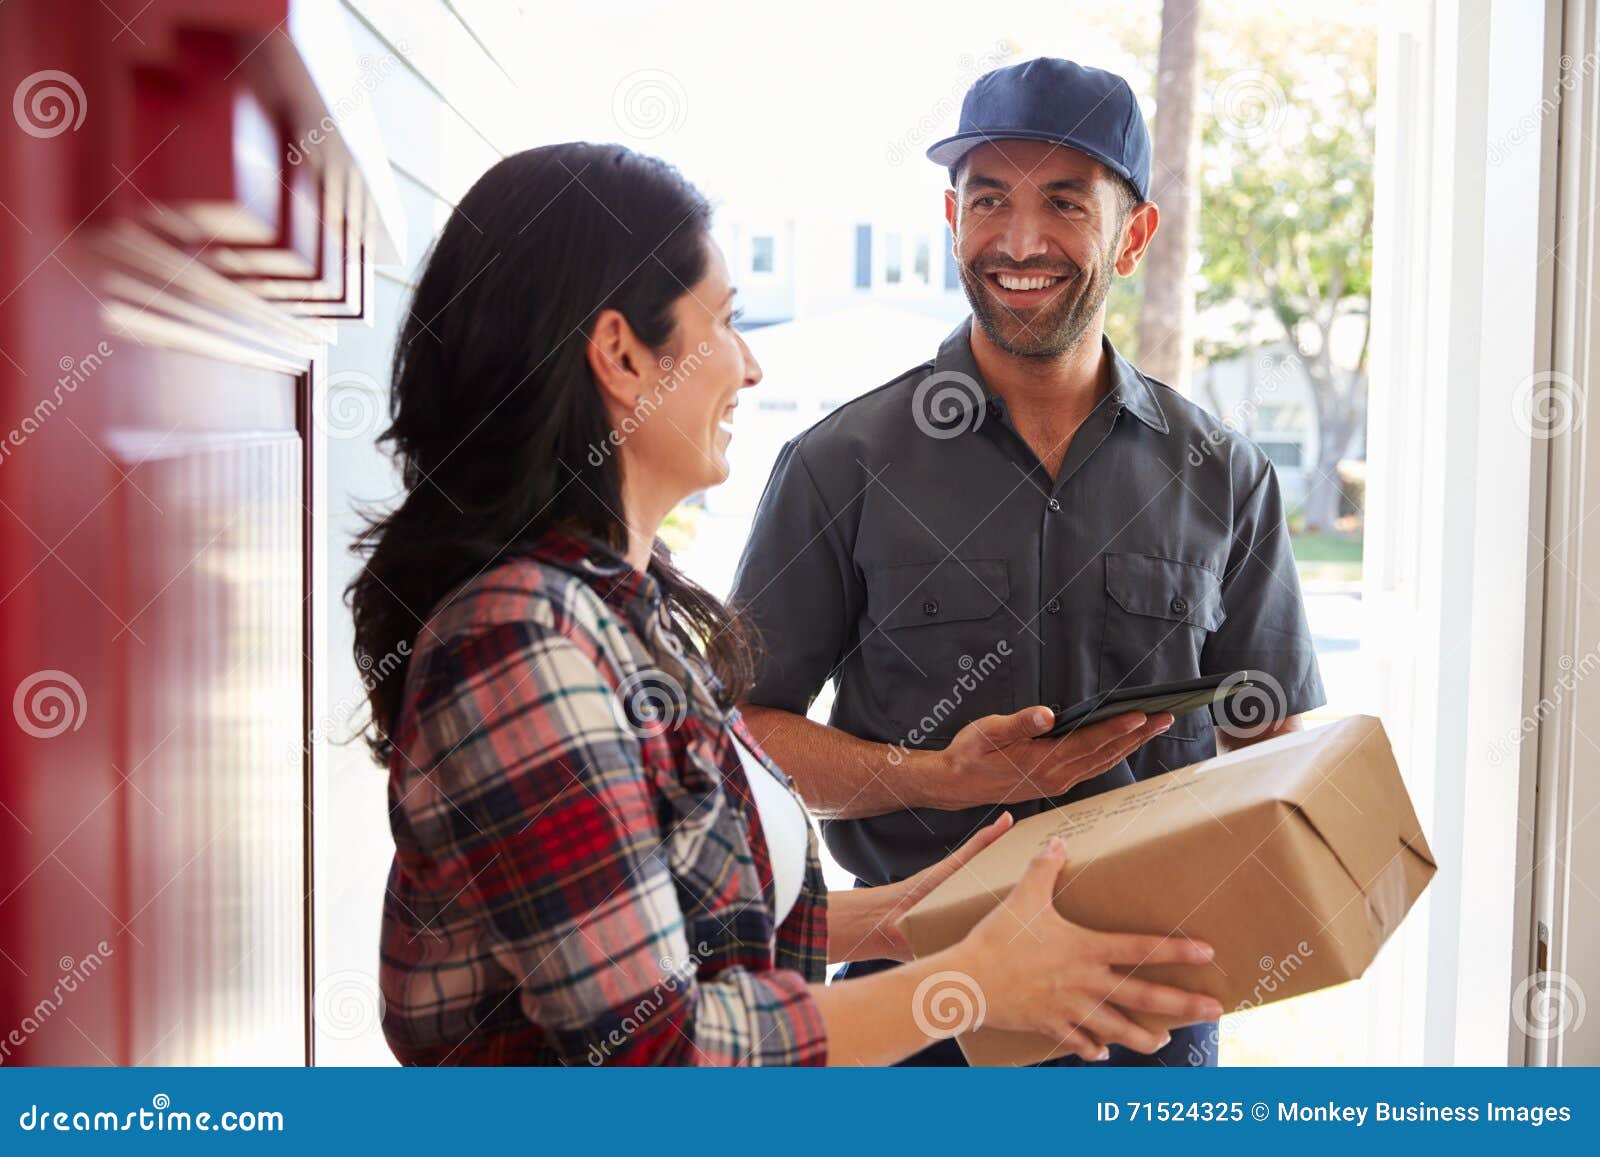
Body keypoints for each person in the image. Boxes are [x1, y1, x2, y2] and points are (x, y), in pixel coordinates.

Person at [349, 141, 1222, 1066]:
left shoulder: (623, 616)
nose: (750, 366)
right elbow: (657, 1051)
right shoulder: (523, 647)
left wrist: (909, 917)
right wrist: (973, 984)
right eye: (724, 322)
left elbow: (691, 930)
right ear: (621, 356)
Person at [729, 57, 1327, 1067]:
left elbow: (1272, 746)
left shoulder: (1224, 476)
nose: (1019, 240)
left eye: (1063, 201)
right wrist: (936, 778)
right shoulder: (840, 465)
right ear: (950, 217)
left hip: (1148, 1021)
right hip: (912, 1010)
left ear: (1132, 234)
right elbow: (741, 737)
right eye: (988, 200)